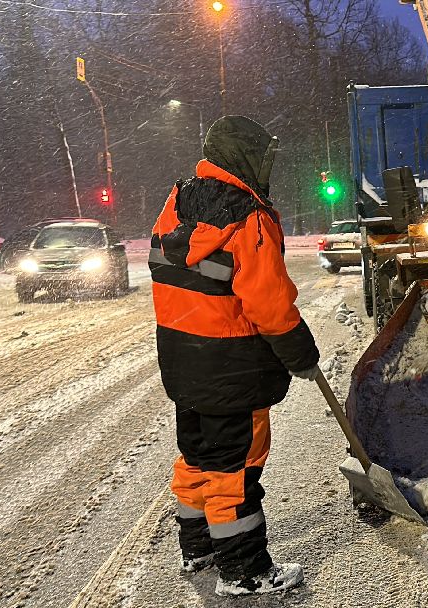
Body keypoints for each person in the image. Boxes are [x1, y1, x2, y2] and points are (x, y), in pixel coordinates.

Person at [148, 115, 322, 596]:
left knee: (198, 455)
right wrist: (299, 351)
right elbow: (267, 302)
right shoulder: (249, 215)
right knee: (235, 467)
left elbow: (170, 268)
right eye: (263, 159)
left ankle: (198, 547)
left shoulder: (177, 202)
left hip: (183, 358)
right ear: (245, 159)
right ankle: (243, 570)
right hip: (232, 363)